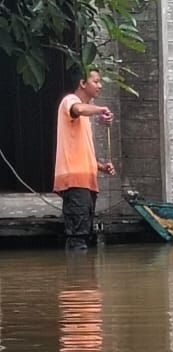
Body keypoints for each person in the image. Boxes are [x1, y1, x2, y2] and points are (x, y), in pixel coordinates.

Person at [54, 68, 115, 251]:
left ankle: (83, 278)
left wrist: (101, 167)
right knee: (78, 239)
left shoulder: (85, 119)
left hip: (86, 182)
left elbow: (79, 152)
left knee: (84, 236)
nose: (100, 85)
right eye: (96, 81)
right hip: (75, 182)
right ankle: (77, 278)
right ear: (82, 83)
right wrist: (101, 109)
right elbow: (78, 108)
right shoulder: (70, 101)